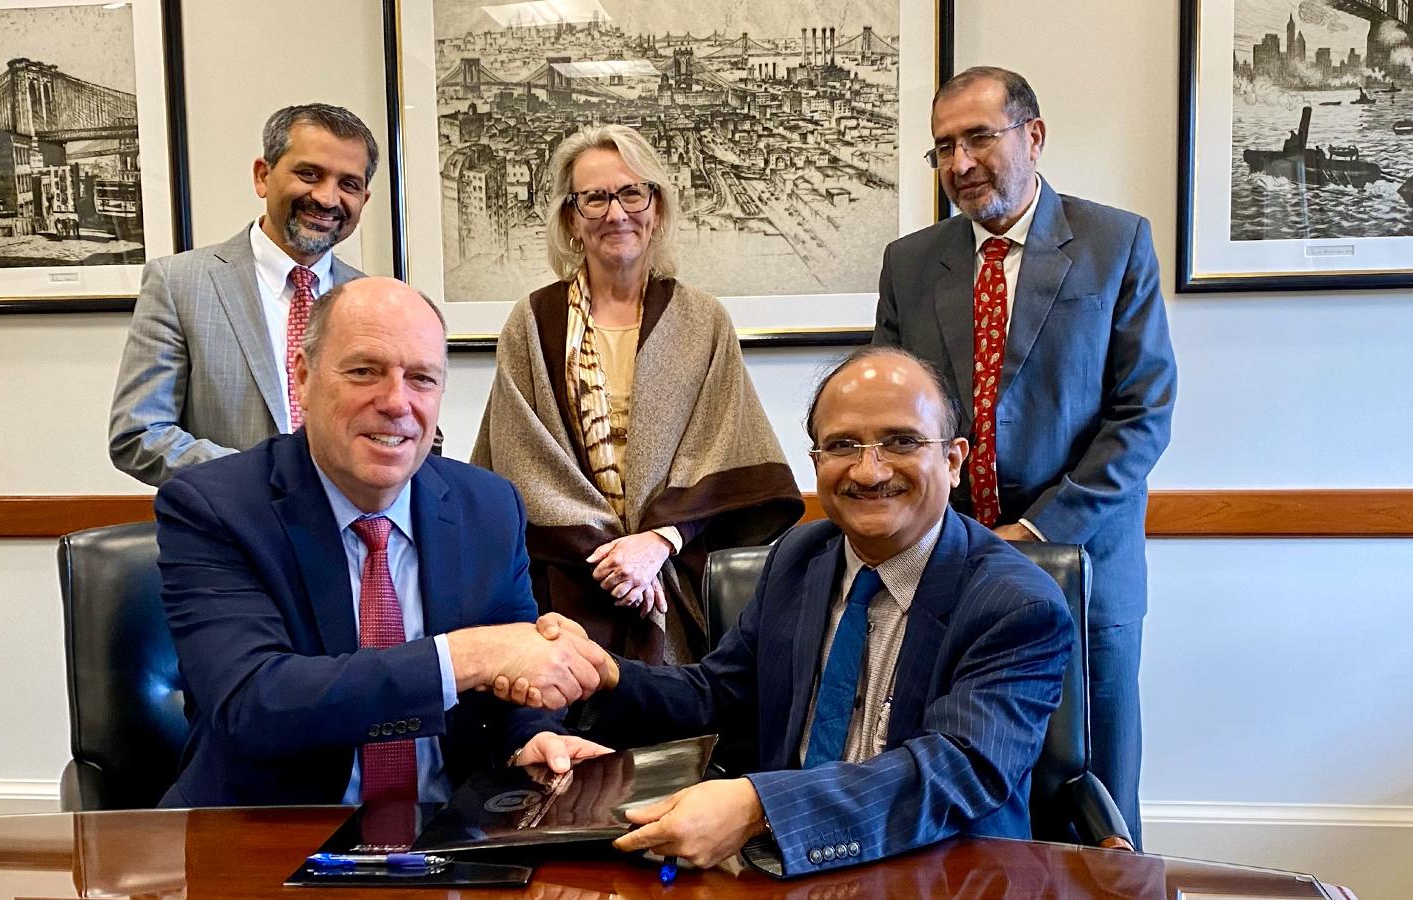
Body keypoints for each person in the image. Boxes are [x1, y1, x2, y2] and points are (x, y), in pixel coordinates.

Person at [498, 347, 1075, 876]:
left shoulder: (1016, 604)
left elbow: (954, 772)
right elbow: (716, 695)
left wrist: (759, 807)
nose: (869, 471)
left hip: (939, 870)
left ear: (952, 461)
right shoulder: (801, 557)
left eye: (901, 442)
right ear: (816, 460)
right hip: (778, 869)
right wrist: (607, 674)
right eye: (844, 445)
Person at [153, 276, 612, 808]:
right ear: (302, 377)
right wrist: (467, 655)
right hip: (269, 832)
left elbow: (510, 683)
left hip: (454, 835)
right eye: (364, 371)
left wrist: (530, 738)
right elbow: (253, 702)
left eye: (421, 378)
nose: (396, 402)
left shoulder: (487, 507)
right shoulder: (215, 507)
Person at [872, 66, 1176, 846]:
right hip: (948, 571)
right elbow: (891, 416)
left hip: (1086, 569)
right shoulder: (911, 263)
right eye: (943, 147)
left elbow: (1143, 414)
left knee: (1097, 797)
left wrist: (1037, 532)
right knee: (958, 786)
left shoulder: (1116, 242)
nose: (960, 163)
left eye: (979, 137)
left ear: (1032, 137)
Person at [471, 123, 801, 666]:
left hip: (676, 576)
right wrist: (614, 557)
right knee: (572, 736)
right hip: (563, 584)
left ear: (658, 208)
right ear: (571, 218)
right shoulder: (531, 322)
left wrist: (656, 543)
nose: (616, 213)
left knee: (673, 736)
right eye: (595, 198)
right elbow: (520, 458)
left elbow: (724, 449)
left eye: (631, 192)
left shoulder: (704, 320)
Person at [110, 103, 377, 486]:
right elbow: (138, 434)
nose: (326, 197)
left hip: (349, 537)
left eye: (348, 184)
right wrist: (267, 478)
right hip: (227, 534)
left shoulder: (374, 300)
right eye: (309, 174)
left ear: (363, 200)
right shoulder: (179, 283)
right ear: (263, 176)